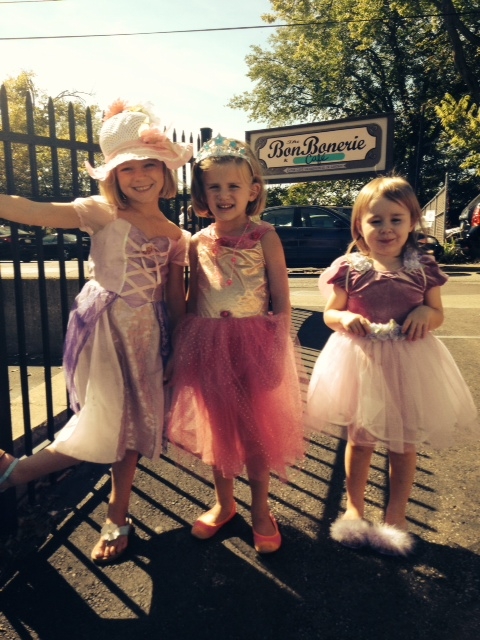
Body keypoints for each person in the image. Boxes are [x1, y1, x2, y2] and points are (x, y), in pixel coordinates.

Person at [0, 100, 193, 564]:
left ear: (166, 172)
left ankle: (116, 515)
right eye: (128, 168)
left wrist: (176, 350)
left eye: (150, 165)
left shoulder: (175, 232)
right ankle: (17, 474)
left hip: (150, 337)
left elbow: (174, 299)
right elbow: (34, 210)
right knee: (107, 425)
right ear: (112, 175)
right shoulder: (101, 212)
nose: (140, 176)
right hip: (106, 332)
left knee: (130, 430)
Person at [306, 176, 479, 556]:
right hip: (361, 363)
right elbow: (330, 312)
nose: (386, 229)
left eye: (396, 219)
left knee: (403, 443)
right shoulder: (349, 267)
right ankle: (354, 508)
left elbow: (437, 313)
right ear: (360, 226)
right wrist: (343, 319)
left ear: (412, 222)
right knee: (361, 439)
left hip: (409, 362)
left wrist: (424, 312)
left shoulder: (423, 267)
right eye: (376, 220)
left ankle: (397, 515)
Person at [167, 135, 304, 553]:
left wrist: (279, 347)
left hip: (253, 345)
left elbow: (281, 297)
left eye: (233, 186)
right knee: (218, 429)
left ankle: (260, 510)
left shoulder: (266, 236)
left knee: (256, 433)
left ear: (253, 191)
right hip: (207, 344)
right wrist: (183, 346)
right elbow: (192, 298)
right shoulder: (195, 242)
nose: (224, 195)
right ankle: (224, 504)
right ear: (201, 193)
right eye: (214, 187)